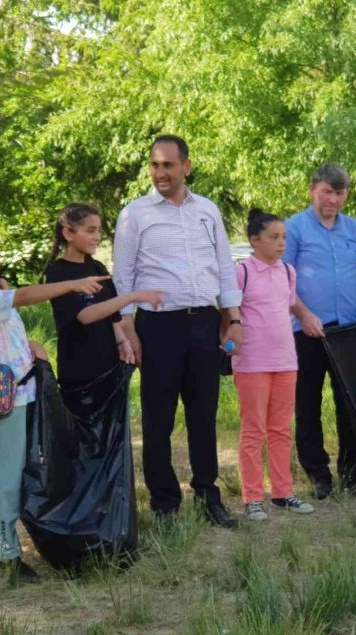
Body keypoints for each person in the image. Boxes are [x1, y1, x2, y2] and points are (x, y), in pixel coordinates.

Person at [0, 232, 115, 582]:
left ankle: (34, 544)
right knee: (3, 480)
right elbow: (22, 297)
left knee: (27, 474)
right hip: (3, 398)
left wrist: (29, 343)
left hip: (27, 393)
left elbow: (4, 332)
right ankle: (7, 557)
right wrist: (70, 285)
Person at [113, 135, 243, 528]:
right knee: (159, 417)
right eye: (155, 165)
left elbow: (223, 267)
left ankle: (208, 495)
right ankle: (165, 503)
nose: (160, 173)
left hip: (204, 321)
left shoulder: (207, 211)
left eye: (168, 165)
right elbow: (123, 276)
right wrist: (128, 327)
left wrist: (232, 318)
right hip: (159, 325)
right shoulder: (135, 214)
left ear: (186, 166)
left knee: (203, 413)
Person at [282, 163, 356, 499]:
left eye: (339, 192)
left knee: (351, 404)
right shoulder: (294, 229)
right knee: (308, 403)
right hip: (307, 330)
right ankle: (318, 474)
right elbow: (284, 281)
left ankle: (351, 473)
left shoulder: (353, 229)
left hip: (348, 329)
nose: (333, 199)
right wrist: (304, 315)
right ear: (312, 190)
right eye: (327, 192)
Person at [234, 209, 314, 521]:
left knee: (281, 429)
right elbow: (230, 313)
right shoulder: (243, 272)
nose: (281, 243)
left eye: (284, 237)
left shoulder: (288, 272)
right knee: (254, 430)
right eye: (273, 237)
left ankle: (283, 492)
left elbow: (290, 306)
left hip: (286, 360)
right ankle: (252, 496)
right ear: (255, 240)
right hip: (252, 361)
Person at [43, 203, 165, 390]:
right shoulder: (57, 273)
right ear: (68, 233)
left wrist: (123, 342)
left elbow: (113, 314)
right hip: (79, 370)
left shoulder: (97, 267)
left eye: (98, 231)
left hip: (108, 365)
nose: (97, 237)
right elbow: (86, 315)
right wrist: (132, 296)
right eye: (91, 231)